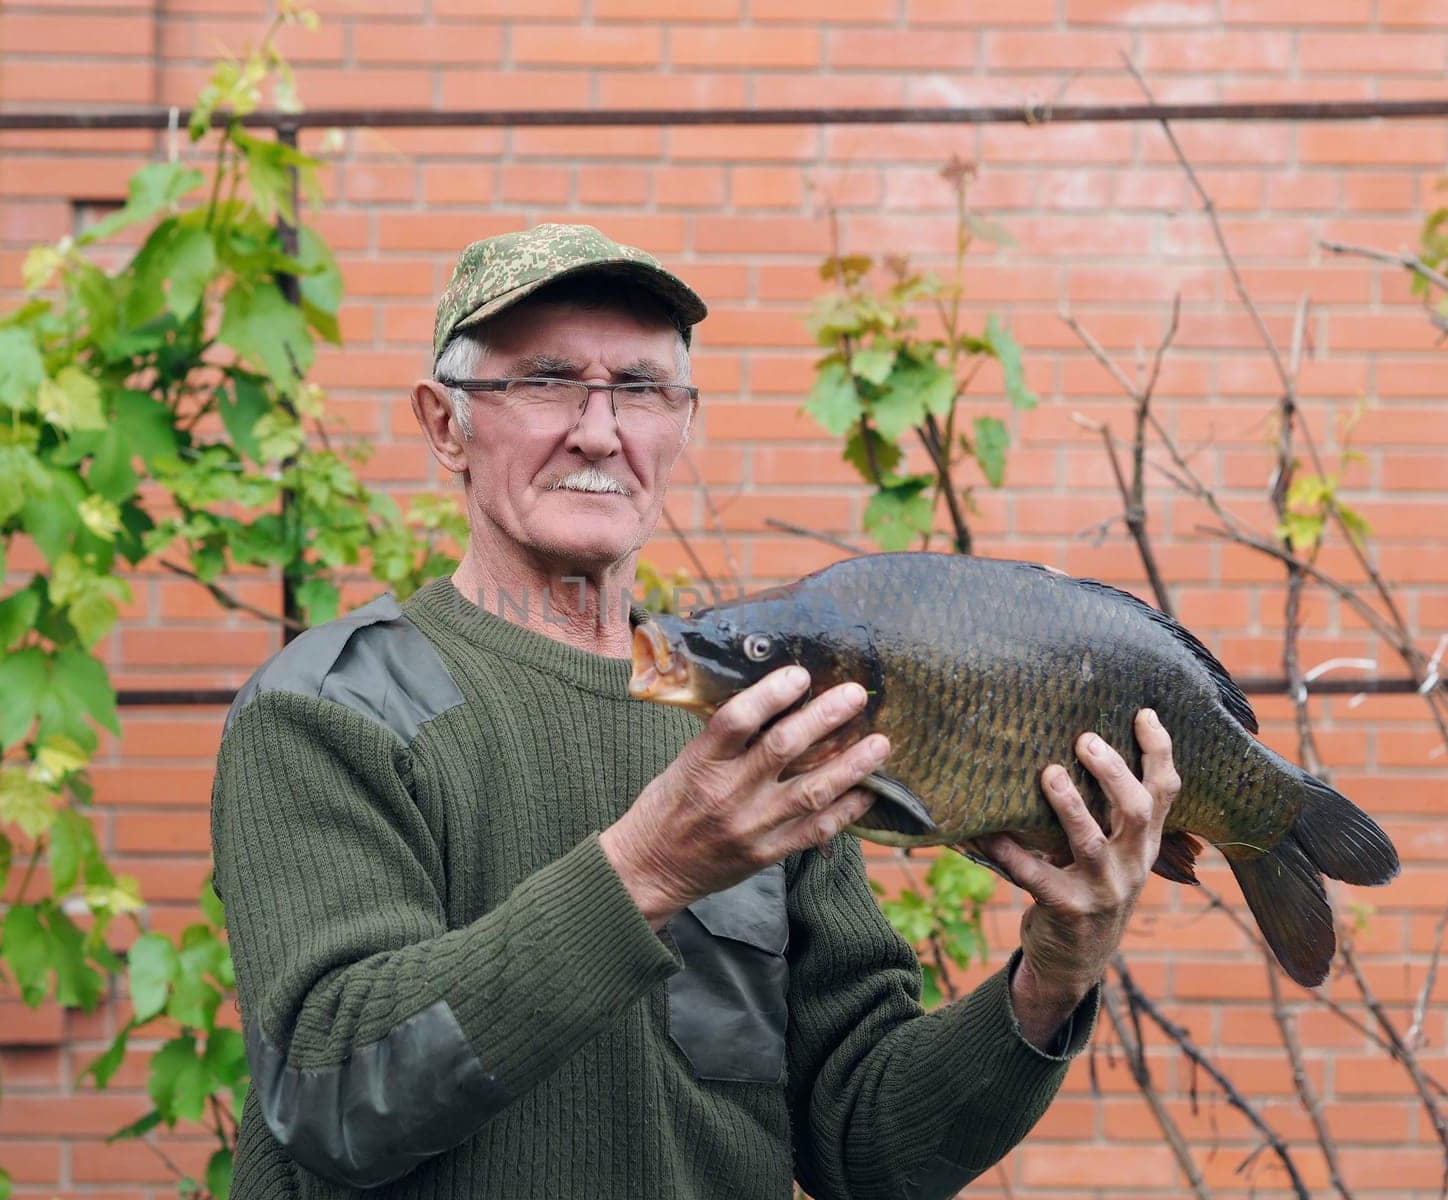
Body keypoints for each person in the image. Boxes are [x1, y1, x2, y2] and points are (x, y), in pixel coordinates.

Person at [211, 224, 1180, 1200]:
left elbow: (866, 1144)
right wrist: (647, 870)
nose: (599, 430)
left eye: (640, 389)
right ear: (445, 423)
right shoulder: (335, 707)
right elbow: (332, 1098)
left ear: (682, 422)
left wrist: (1052, 978)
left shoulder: (757, 717)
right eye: (545, 382)